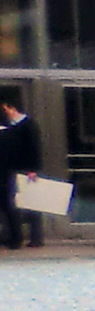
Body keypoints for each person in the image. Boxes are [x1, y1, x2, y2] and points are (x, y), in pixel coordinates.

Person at [0, 100, 38, 249]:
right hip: (10, 171)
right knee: (10, 205)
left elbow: (33, 148)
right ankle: (13, 236)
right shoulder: (12, 130)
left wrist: (32, 168)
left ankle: (27, 237)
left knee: (23, 204)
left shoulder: (26, 125)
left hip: (16, 171)